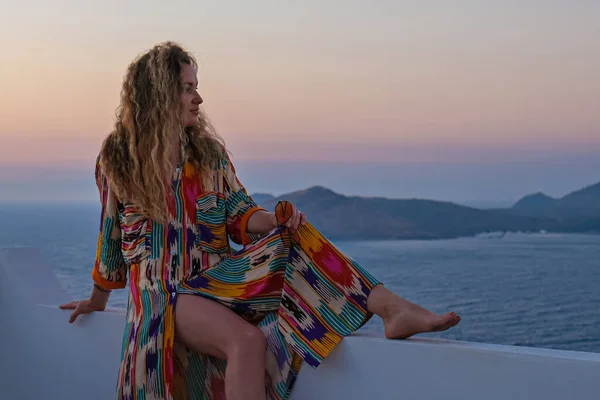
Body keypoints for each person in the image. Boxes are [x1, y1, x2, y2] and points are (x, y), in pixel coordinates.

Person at [59, 41, 461, 400]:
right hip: (165, 296)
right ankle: (393, 310)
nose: (199, 97)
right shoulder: (118, 159)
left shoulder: (209, 155)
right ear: (159, 94)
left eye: (196, 86)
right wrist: (98, 299)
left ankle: (391, 309)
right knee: (247, 342)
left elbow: (239, 211)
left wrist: (274, 220)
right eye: (187, 87)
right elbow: (112, 235)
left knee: (294, 233)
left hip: (217, 283)